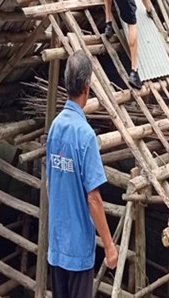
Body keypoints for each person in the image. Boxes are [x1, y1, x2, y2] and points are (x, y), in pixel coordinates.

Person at [46, 50, 118, 298]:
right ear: (88, 86)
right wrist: (109, 246)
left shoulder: (55, 127)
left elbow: (50, 181)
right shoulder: (85, 135)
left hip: (57, 244)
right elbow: (93, 198)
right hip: (77, 249)